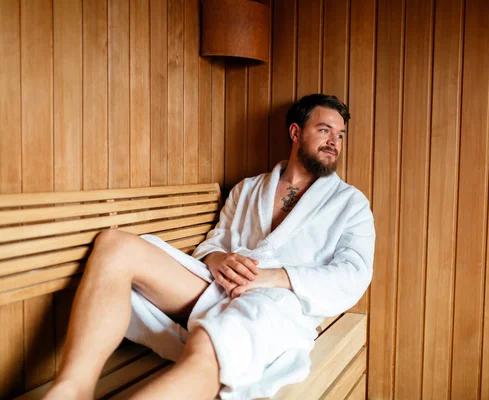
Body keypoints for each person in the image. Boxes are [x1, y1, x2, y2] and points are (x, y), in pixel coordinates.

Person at [44, 94, 375, 400]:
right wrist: (217, 258)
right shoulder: (248, 189)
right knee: (114, 245)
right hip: (217, 286)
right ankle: (71, 389)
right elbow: (214, 241)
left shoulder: (350, 204)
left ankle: (209, 355)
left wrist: (272, 277)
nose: (334, 142)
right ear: (295, 132)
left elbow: (353, 275)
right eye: (324, 130)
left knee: (209, 345)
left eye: (341, 135)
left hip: (277, 306)